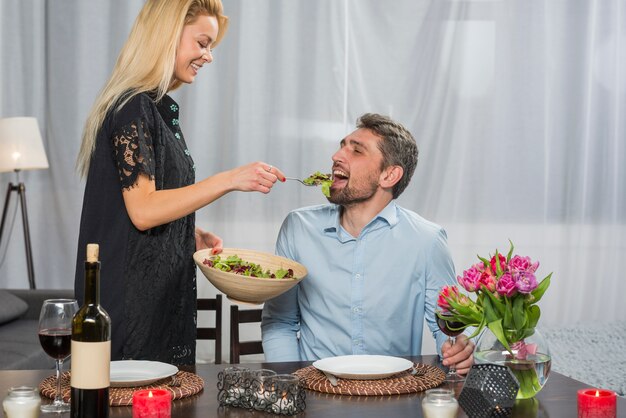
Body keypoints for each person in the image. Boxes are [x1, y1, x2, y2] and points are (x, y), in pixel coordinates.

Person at [74, 0, 285, 366]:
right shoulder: (132, 107)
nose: (208, 57)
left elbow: (140, 204)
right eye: (203, 43)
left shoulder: (156, 109)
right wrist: (229, 179)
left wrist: (187, 231)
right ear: (167, 34)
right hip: (130, 305)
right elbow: (142, 211)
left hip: (156, 300)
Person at [261, 113, 474, 374]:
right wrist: (292, 384)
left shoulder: (427, 240)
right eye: (342, 145)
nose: (337, 156)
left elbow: (449, 327)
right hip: (315, 391)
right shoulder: (298, 228)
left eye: (356, 150)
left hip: (396, 394)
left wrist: (459, 348)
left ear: (389, 175)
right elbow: (280, 322)